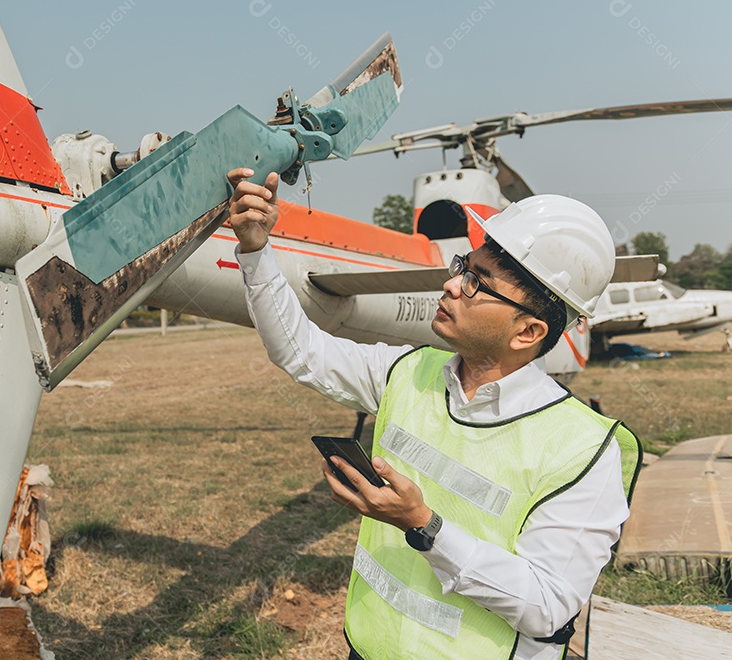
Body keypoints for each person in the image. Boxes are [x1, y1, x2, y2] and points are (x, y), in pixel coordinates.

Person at [226, 168, 641, 660]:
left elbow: (547, 605)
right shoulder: (410, 371)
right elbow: (302, 352)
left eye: (475, 283)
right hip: (368, 647)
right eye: (463, 266)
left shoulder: (585, 448)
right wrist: (255, 249)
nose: (449, 285)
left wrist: (423, 524)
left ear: (528, 333)